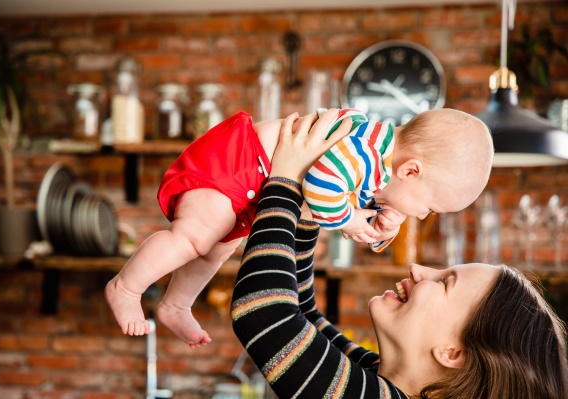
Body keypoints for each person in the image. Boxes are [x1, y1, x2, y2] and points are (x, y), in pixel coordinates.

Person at [230, 111, 568, 399]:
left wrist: (285, 181)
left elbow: (265, 312)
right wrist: (308, 205)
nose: (418, 268)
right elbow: (302, 314)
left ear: (453, 353)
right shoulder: (375, 380)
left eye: (445, 282)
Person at [105, 106, 493, 346]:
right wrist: (354, 219)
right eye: (427, 206)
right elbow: (322, 191)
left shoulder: (377, 159)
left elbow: (342, 198)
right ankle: (126, 287)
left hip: (254, 185)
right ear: (411, 170)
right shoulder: (364, 151)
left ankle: (176, 305)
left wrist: (378, 224)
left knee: (215, 248)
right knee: (193, 238)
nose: (421, 216)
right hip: (240, 163)